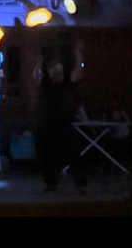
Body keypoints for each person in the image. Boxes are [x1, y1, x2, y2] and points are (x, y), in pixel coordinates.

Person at [33, 42, 88, 194]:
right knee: (48, 156)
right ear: (50, 73)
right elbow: (36, 77)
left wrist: (77, 54)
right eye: (55, 73)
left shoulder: (67, 83)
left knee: (73, 154)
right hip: (48, 125)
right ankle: (51, 183)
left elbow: (77, 70)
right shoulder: (45, 84)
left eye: (60, 73)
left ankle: (81, 184)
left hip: (65, 124)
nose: (58, 75)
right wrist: (39, 63)